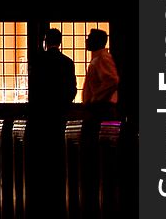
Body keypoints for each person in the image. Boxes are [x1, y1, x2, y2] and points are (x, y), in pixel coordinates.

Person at [27, 28, 77, 217]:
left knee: (42, 155)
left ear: (45, 41)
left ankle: (42, 194)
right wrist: (64, 104)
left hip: (41, 115)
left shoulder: (38, 61)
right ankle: (58, 189)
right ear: (60, 42)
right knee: (58, 151)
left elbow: (34, 89)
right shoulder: (67, 62)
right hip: (60, 114)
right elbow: (72, 88)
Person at [83, 28, 119, 119]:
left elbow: (112, 80)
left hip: (102, 108)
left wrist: (96, 98)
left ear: (96, 41)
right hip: (99, 106)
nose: (86, 40)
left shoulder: (102, 58)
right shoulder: (99, 57)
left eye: (89, 38)